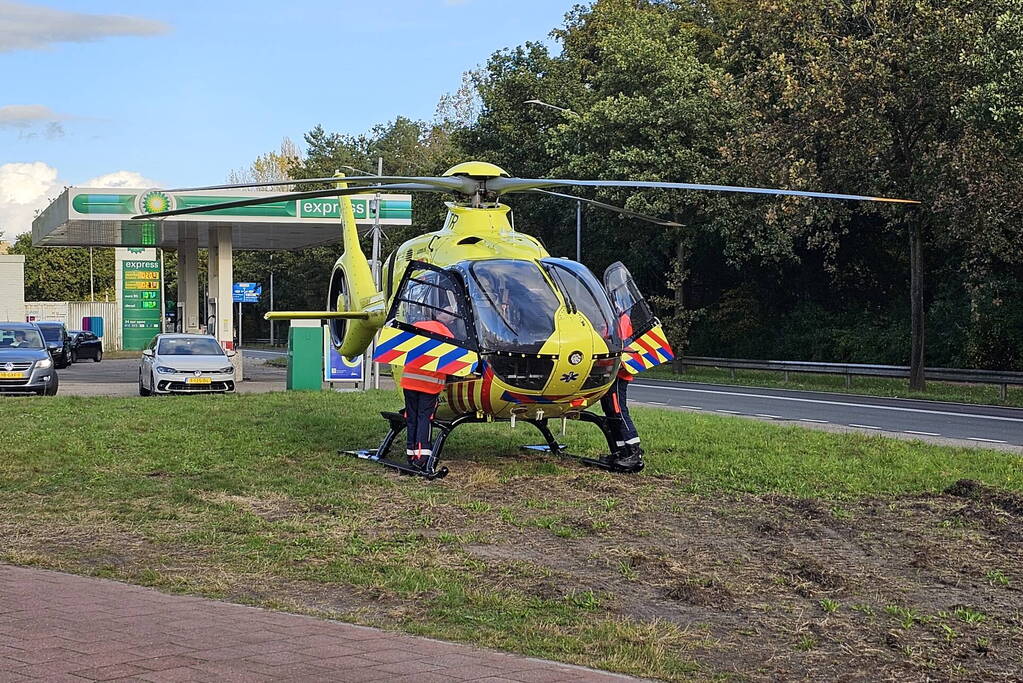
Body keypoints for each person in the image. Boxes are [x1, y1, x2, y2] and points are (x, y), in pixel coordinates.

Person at [401, 306, 456, 471]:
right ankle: (422, 456)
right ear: (448, 319)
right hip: (429, 386)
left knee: (412, 417)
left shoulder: (417, 326)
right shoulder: (448, 334)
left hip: (409, 382)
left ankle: (411, 454)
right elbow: (451, 363)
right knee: (424, 418)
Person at [599, 310, 643, 471]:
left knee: (619, 411)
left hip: (618, 373)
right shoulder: (609, 317)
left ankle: (634, 452)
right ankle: (620, 451)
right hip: (609, 371)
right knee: (610, 411)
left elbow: (619, 343)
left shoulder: (620, 319)